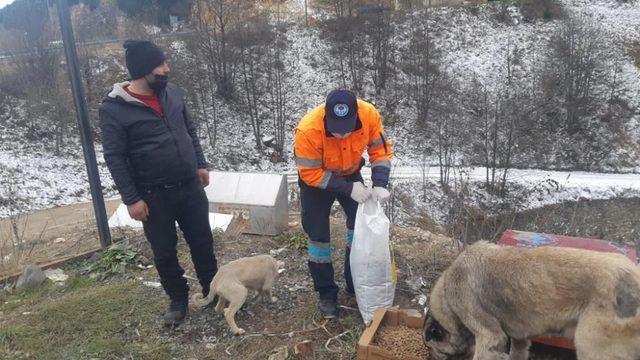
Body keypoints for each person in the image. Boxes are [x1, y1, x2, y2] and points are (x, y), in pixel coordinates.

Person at [99, 40, 217, 327]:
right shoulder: (114, 109)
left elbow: (189, 130)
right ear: (142, 70)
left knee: (203, 242)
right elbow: (114, 157)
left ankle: (213, 293)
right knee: (164, 251)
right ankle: (178, 300)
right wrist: (131, 199)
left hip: (189, 185)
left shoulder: (171, 92)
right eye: (160, 65)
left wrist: (200, 164)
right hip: (153, 196)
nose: (167, 68)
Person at [294, 89, 394, 318]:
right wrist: (349, 189)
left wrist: (379, 183)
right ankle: (326, 292)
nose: (341, 135)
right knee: (318, 237)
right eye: (336, 131)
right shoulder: (308, 129)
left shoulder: (369, 114)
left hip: (350, 171)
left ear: (357, 116)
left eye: (347, 129)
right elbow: (309, 174)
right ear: (326, 117)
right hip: (318, 181)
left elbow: (380, 150)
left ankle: (354, 281)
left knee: (359, 227)